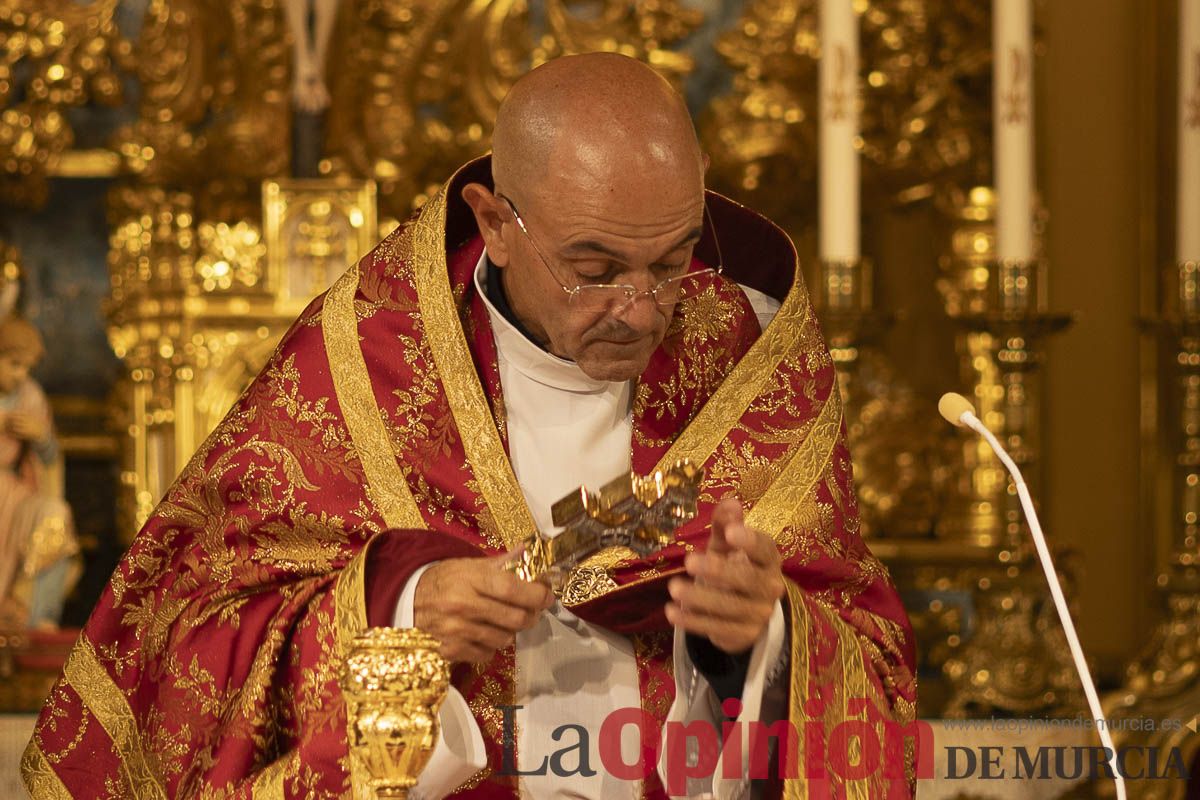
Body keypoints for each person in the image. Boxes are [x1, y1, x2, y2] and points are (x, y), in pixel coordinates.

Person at [23, 54, 917, 798]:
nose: (642, 309)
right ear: (495, 222)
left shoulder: (751, 357)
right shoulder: (366, 359)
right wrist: (396, 613)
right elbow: (189, 637)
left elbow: (865, 651)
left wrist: (769, 635)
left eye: (671, 261)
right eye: (595, 268)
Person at [0, 316, 79, 630]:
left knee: (54, 514)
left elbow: (50, 459)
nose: (20, 375)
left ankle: (32, 613)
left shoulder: (31, 396)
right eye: (13, 364)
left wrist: (41, 436)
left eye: (27, 368)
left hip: (14, 494)